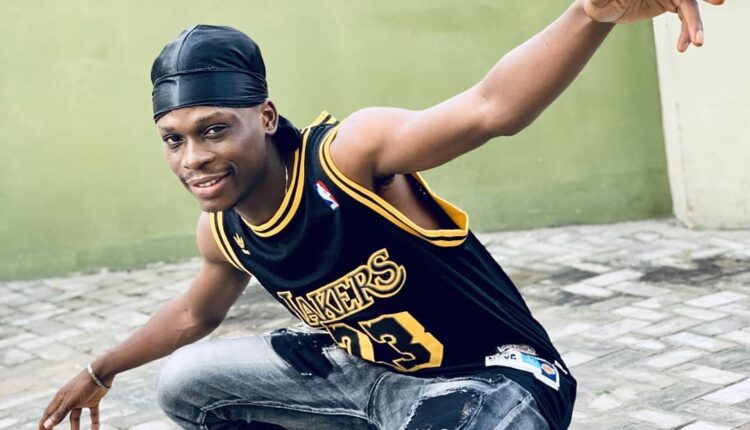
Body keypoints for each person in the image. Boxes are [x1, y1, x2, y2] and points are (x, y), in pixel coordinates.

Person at [38, 0, 726, 429]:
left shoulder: (347, 156)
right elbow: (195, 314)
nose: (194, 157)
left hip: (490, 379)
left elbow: (491, 108)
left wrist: (589, 14)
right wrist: (101, 369)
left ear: (266, 117)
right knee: (187, 385)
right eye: (174, 139)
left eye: (214, 130)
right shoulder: (224, 229)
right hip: (365, 378)